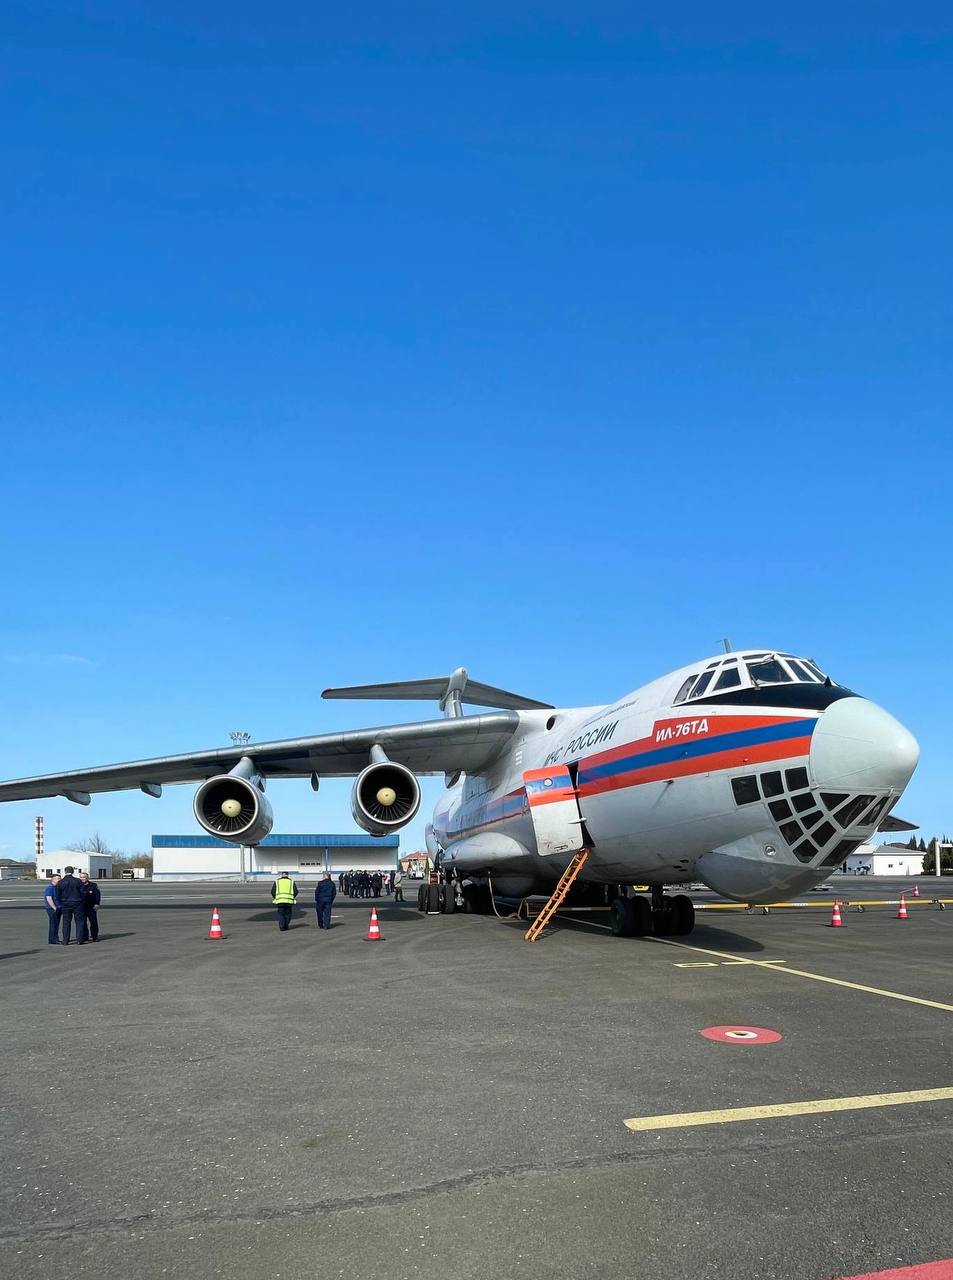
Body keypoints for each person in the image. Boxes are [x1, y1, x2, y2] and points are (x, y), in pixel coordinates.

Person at [57, 866, 87, 945]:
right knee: (79, 921)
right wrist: (82, 901)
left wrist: (60, 903)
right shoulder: (78, 881)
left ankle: (65, 940)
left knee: (66, 922)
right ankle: (79, 939)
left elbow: (57, 894)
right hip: (77, 902)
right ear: (73, 871)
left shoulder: (61, 882)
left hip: (65, 903)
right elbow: (83, 892)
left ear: (65, 871)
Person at [79, 871, 102, 942]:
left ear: (87, 878)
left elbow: (97, 895)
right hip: (81, 907)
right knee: (83, 923)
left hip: (91, 907)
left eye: (84, 877)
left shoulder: (93, 885)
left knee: (93, 922)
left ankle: (95, 936)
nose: (82, 879)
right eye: (81, 877)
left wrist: (97, 904)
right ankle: (85, 937)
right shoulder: (78, 885)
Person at [43, 873, 61, 944]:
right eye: (58, 879)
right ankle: (52, 939)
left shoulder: (57, 887)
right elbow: (49, 898)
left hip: (57, 907)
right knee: (53, 924)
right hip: (52, 908)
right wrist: (54, 907)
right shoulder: (50, 888)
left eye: (60, 878)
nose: (59, 880)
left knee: (56, 924)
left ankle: (55, 938)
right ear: (53, 879)